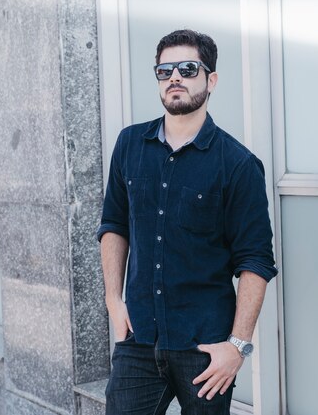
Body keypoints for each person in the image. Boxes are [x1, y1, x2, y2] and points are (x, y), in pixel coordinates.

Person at [97, 29, 278, 415]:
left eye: (187, 68)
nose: (174, 77)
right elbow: (114, 224)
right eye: (165, 71)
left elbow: (256, 261)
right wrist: (114, 299)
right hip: (138, 338)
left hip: (205, 349)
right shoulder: (129, 144)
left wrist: (238, 346)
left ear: (211, 80)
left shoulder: (238, 164)